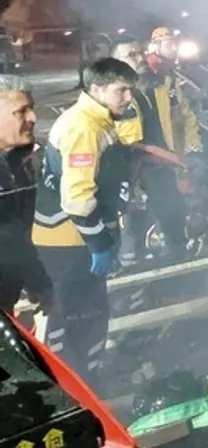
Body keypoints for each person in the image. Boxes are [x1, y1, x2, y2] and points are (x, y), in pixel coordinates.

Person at [32, 58, 138, 382]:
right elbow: (77, 200)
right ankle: (73, 389)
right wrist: (100, 244)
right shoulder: (84, 127)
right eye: (121, 90)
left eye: (130, 91)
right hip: (70, 244)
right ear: (96, 89)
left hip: (77, 242)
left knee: (88, 318)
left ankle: (87, 382)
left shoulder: (98, 120)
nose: (129, 98)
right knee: (74, 321)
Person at [112, 35, 192, 261]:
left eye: (140, 53)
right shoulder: (119, 96)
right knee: (134, 225)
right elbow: (129, 141)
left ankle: (176, 266)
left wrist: (180, 153)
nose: (139, 58)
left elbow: (177, 119)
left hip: (160, 167)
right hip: (135, 171)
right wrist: (171, 158)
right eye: (131, 55)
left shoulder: (157, 84)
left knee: (172, 218)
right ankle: (133, 272)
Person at [0, 75, 51, 312]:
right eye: (21, 111)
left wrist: (35, 281)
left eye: (32, 108)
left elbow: (19, 233)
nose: (33, 118)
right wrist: (38, 281)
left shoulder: (24, 159)